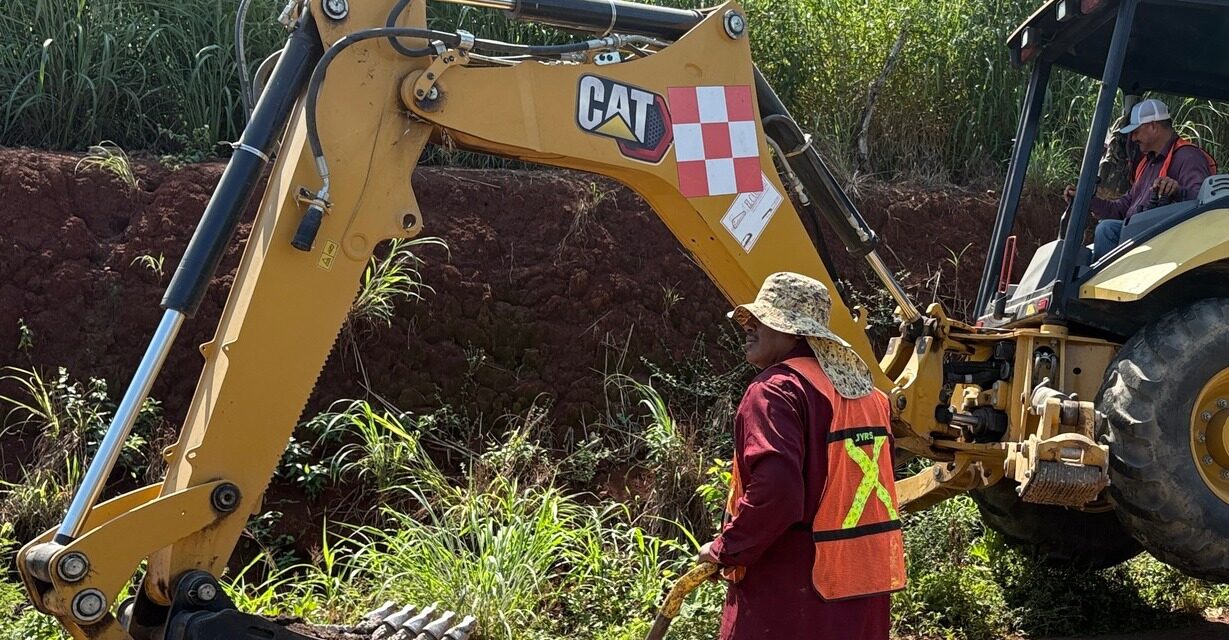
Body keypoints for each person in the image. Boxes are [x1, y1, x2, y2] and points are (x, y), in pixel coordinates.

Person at [697, 272, 905, 640]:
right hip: (861, 596)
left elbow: (777, 492)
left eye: (764, 319)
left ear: (793, 331)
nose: (750, 326)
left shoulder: (775, 392)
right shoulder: (872, 399)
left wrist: (727, 547)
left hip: (790, 600)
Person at [1064, 98, 1216, 260]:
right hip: (1139, 235)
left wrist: (1177, 190)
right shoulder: (1147, 163)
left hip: (1162, 244)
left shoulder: (1188, 157)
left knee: (1107, 230)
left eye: (1136, 132)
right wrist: (1086, 199)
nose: (1133, 138)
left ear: (1153, 126)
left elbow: (1202, 205)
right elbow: (1121, 209)